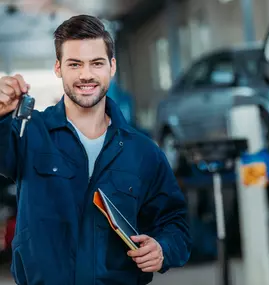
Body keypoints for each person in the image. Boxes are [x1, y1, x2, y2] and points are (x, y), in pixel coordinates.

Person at [0, 15, 191, 285]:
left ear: (112, 67)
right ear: (58, 68)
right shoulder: (30, 133)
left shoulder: (143, 152)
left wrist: (162, 249)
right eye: (75, 64)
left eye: (96, 63)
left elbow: (176, 223)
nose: (86, 75)